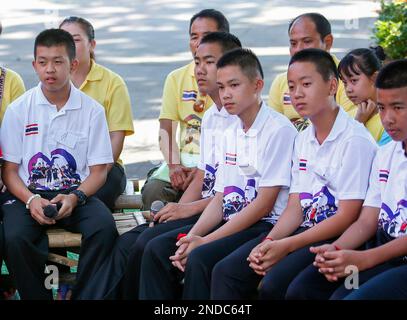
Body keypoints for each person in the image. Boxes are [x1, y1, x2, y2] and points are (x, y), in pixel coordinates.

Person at [76, 32, 242, 300]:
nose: (199, 69)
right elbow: (204, 175)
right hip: (205, 206)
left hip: (227, 216)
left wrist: (184, 210)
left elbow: (234, 197)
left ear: (232, 65)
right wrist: (177, 210)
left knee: (149, 245)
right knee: (130, 241)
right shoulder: (212, 115)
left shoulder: (241, 120)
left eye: (208, 62)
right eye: (197, 61)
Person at [211, 49, 377, 300]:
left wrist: (285, 245)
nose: (296, 93)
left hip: (338, 235)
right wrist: (269, 241)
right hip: (305, 228)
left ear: (332, 86)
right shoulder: (303, 138)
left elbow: (347, 216)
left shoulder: (354, 140)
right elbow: (295, 206)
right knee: (233, 270)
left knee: (285, 287)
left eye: (306, 84)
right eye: (291, 86)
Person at [139, 48, 297, 300]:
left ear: (258, 85)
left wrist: (206, 240)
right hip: (232, 217)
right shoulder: (231, 131)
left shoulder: (278, 130)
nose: (226, 94)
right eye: (222, 87)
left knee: (202, 258)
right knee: (160, 248)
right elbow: (221, 197)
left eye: (234, 85)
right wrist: (192, 237)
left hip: (264, 223)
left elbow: (264, 204)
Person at [0, 29, 118, 300]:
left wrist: (76, 197)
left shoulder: (92, 110)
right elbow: (9, 171)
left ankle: (84, 295)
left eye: (58, 61)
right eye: (42, 62)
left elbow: (99, 171)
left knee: (103, 229)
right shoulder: (19, 109)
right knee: (15, 238)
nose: (49, 70)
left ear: (73, 64)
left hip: (75, 193)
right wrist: (31, 201)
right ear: (34, 65)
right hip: (26, 195)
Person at [285, 59, 407, 300]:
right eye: (381, 108)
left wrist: (363, 259)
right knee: (305, 289)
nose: (388, 118)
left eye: (398, 107)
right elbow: (366, 222)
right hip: (383, 251)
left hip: (395, 260)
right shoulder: (386, 154)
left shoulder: (357, 141)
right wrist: (337, 249)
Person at [141, 9, 230, 210]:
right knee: (153, 191)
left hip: (216, 164)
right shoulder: (176, 78)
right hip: (182, 161)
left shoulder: (234, 79)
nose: (198, 43)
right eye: (193, 37)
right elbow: (166, 130)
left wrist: (200, 172)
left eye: (206, 37)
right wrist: (174, 166)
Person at [59, 16, 134, 210]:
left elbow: (116, 140)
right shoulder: (52, 82)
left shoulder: (112, 83)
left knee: (89, 205)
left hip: (105, 169)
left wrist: (91, 177)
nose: (68, 46)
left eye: (75, 40)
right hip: (62, 168)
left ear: (92, 44)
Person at [268, 12, 355, 131]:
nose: (298, 49)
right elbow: (273, 130)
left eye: (307, 41)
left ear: (328, 42)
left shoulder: (348, 79)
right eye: (293, 43)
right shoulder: (280, 82)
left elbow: (350, 126)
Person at [338, 47, 390, 146]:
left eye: (354, 80)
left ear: (375, 78)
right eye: (345, 83)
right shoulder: (349, 115)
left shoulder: (390, 120)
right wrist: (359, 121)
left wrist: (358, 124)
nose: (348, 89)